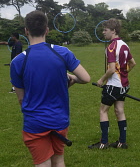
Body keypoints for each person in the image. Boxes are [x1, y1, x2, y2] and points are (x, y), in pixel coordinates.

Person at [10, 10, 90, 167]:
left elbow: (21, 98)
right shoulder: (62, 52)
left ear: (26, 31)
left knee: (42, 163)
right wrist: (71, 78)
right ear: (47, 29)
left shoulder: (18, 61)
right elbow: (86, 78)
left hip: (34, 122)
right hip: (59, 119)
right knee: (59, 160)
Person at [88, 18, 136, 150]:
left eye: (105, 30)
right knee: (119, 110)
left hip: (113, 85)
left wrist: (101, 79)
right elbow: (133, 63)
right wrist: (124, 74)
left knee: (103, 111)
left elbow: (111, 69)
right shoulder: (125, 45)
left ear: (113, 31)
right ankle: (122, 142)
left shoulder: (111, 47)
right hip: (124, 85)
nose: (103, 32)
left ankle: (103, 143)